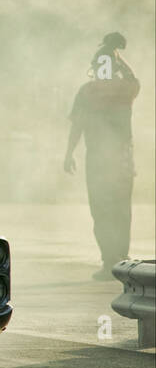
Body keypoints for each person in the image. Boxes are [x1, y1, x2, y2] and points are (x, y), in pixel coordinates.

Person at [64, 32, 141, 279]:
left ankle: (109, 260)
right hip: (123, 160)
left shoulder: (87, 92)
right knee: (121, 209)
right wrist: (118, 59)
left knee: (102, 209)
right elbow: (134, 79)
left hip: (97, 160)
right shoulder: (124, 89)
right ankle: (120, 257)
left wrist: (69, 153)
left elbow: (77, 125)